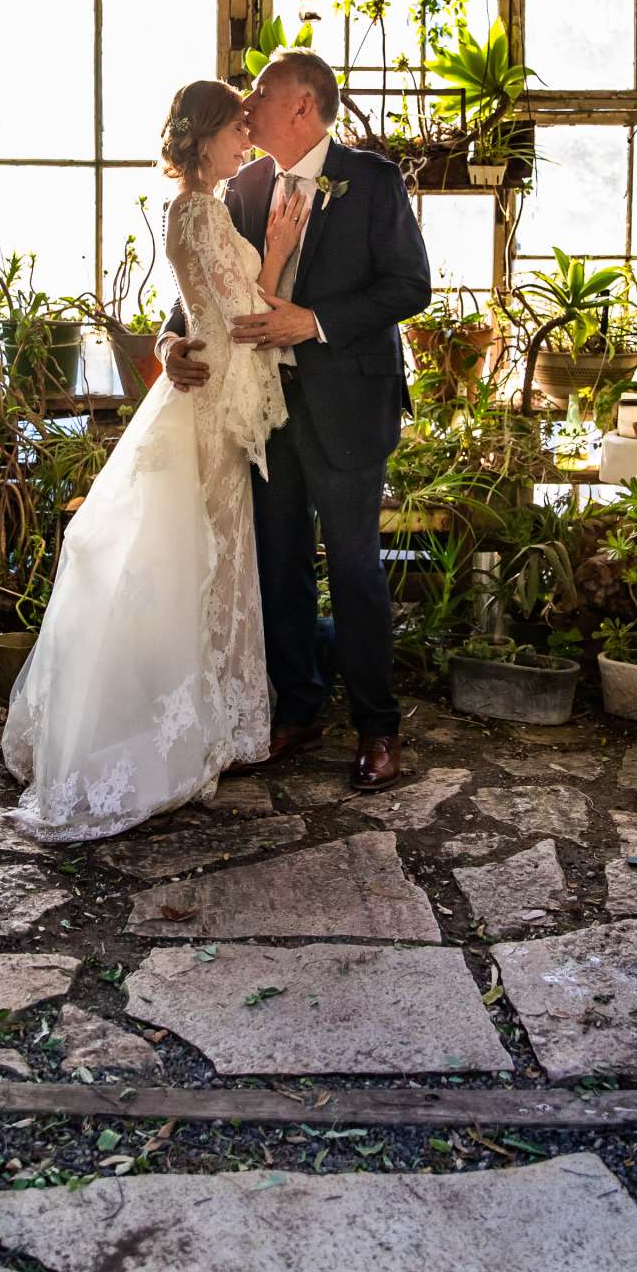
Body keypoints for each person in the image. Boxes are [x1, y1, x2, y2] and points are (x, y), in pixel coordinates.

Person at [2, 80, 309, 842]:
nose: (247, 141)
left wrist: (199, 323)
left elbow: (211, 311)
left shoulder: (193, 209)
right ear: (204, 138)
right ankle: (173, 728)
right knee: (195, 557)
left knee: (195, 557)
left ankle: (194, 719)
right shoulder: (203, 212)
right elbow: (241, 317)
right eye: (237, 130)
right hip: (210, 404)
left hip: (206, 391)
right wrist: (274, 255)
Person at [159, 50, 431, 790]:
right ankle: (298, 710)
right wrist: (167, 343)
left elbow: (411, 286)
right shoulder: (241, 186)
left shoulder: (371, 180)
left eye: (262, 91)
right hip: (262, 416)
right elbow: (202, 287)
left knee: (353, 569)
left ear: (303, 105)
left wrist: (315, 321)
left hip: (348, 404)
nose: (248, 103)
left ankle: (379, 729)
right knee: (276, 568)